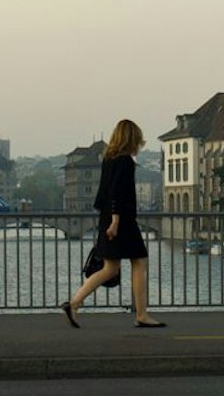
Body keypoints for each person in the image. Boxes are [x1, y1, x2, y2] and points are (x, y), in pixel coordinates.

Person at [61, 118, 165, 328]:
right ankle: (141, 315)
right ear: (132, 139)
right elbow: (118, 192)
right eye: (138, 140)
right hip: (122, 220)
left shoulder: (109, 159)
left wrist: (108, 219)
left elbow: (103, 195)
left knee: (110, 268)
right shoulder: (125, 161)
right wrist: (116, 221)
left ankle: (74, 303)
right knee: (139, 262)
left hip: (107, 217)